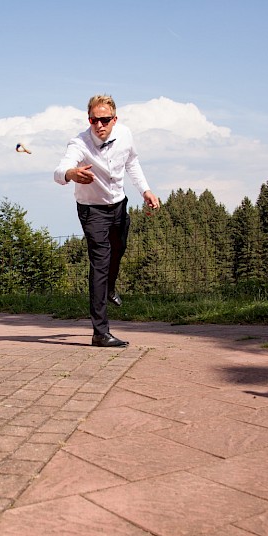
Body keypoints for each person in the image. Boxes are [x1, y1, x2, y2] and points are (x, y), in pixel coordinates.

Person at [53, 95, 161, 347]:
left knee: (118, 252)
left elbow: (132, 162)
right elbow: (59, 172)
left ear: (114, 119)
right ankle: (100, 332)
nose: (99, 125)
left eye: (104, 120)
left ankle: (110, 288)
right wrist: (71, 173)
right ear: (88, 119)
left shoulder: (125, 134)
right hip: (93, 211)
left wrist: (145, 190)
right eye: (94, 120)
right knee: (100, 263)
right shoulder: (79, 143)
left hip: (119, 205)